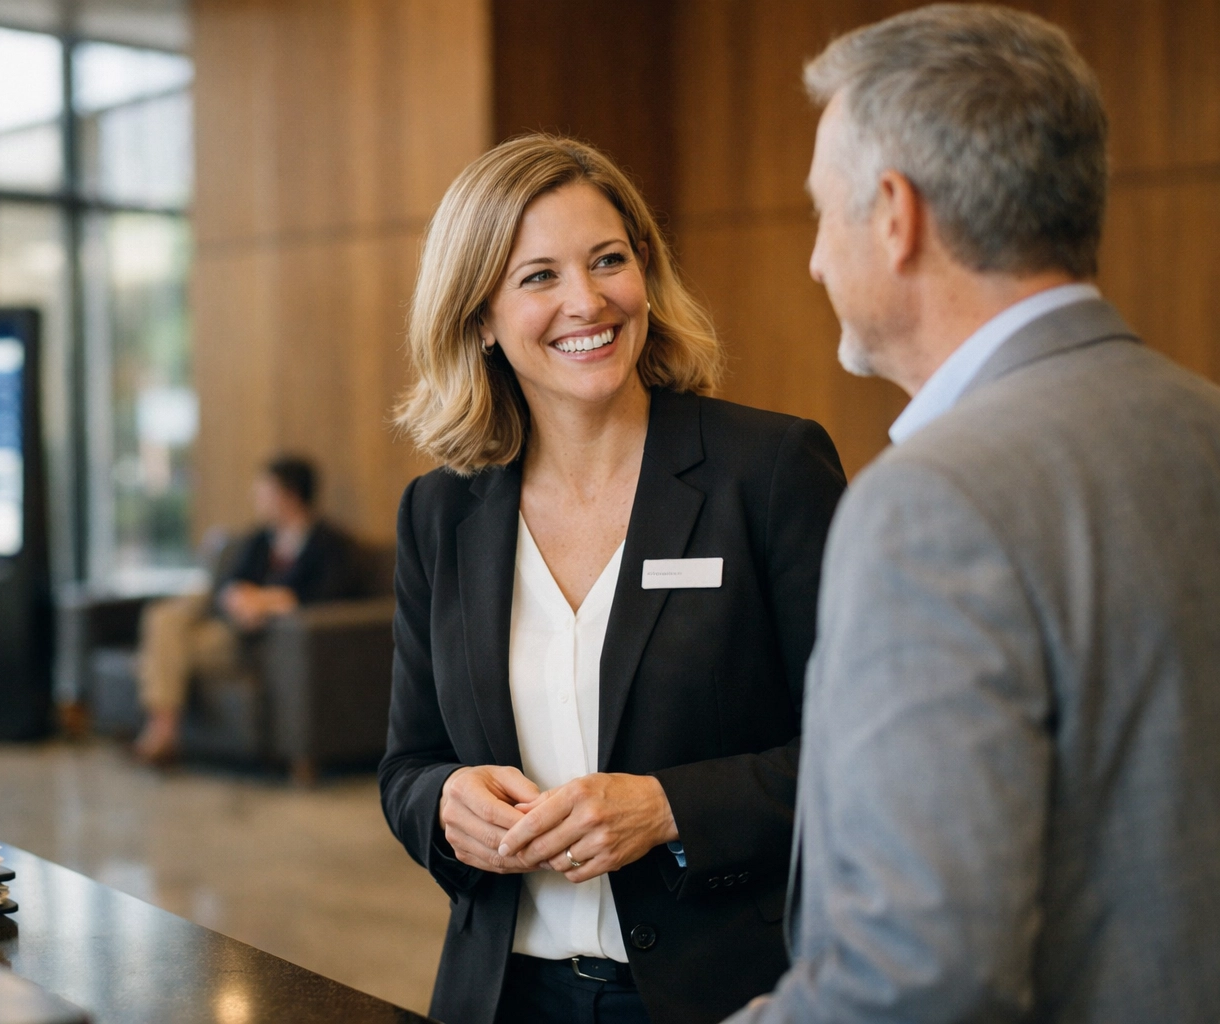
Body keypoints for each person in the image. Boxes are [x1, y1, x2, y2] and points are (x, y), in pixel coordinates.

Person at [727, 6, 1220, 1022]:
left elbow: (916, 979)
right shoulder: (1203, 422)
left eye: (823, 212)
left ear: (896, 216)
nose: (816, 259)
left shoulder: (927, 508)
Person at [378, 134, 846, 1024]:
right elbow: (407, 763)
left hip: (725, 996)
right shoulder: (439, 514)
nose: (588, 301)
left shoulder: (770, 469)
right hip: (503, 995)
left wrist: (672, 807)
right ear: (479, 316)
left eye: (608, 261)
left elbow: (864, 750)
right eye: (538, 276)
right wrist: (444, 803)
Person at [134, 455, 361, 762]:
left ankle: (163, 731)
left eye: (264, 490)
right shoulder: (258, 539)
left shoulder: (330, 544)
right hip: (230, 627)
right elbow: (230, 584)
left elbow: (327, 597)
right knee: (164, 621)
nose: (257, 498)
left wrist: (267, 601)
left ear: (289, 495)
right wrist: (241, 600)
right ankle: (165, 731)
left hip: (264, 641)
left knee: (165, 648)